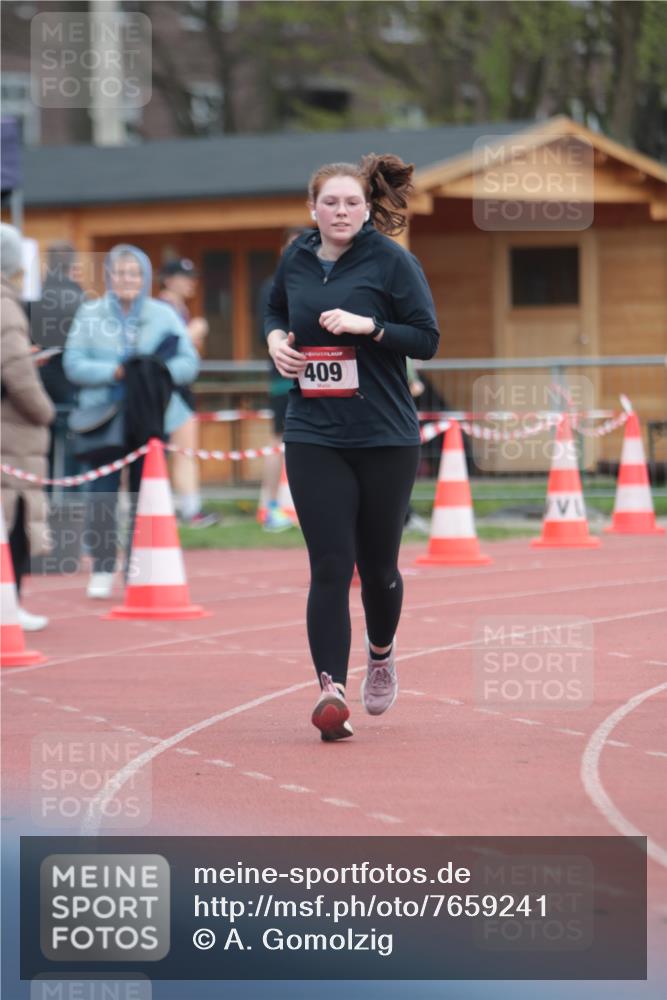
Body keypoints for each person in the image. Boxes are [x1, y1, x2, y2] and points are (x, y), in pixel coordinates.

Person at [265, 154, 440, 741]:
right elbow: (272, 307)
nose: (340, 211)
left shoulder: (392, 262)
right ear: (312, 208)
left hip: (385, 435)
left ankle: (382, 653)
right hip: (314, 431)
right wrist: (274, 341)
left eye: (351, 203)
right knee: (330, 566)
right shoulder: (296, 256)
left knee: (379, 569)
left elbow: (428, 339)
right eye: (330, 202)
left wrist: (370, 328)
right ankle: (330, 691)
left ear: (367, 209)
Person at [63, 244, 199, 599]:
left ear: (146, 278)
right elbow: (73, 364)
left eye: (134, 273)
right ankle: (103, 567)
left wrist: (154, 373)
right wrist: (117, 371)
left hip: (151, 418)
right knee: (101, 495)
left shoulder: (164, 315)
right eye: (120, 273)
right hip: (103, 418)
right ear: (108, 277)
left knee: (147, 494)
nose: (127, 280)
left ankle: (140, 567)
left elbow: (189, 363)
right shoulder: (89, 314)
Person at [0, 223, 55, 631]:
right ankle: (10, 605)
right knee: (14, 520)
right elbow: (16, 371)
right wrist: (44, 410)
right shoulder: (5, 305)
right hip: (11, 434)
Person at [256, 228, 308, 532]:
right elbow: (270, 327)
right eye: (293, 247)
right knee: (280, 441)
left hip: (313, 375)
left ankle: (293, 505)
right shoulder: (274, 286)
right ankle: (269, 505)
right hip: (283, 377)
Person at [158, 258, 216, 528]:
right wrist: (191, 332)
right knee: (180, 450)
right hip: (168, 389)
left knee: (181, 451)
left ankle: (185, 507)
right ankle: (189, 510)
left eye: (193, 277)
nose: (191, 282)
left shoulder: (179, 308)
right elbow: (160, 348)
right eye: (185, 277)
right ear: (169, 279)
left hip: (179, 386)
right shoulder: (161, 308)